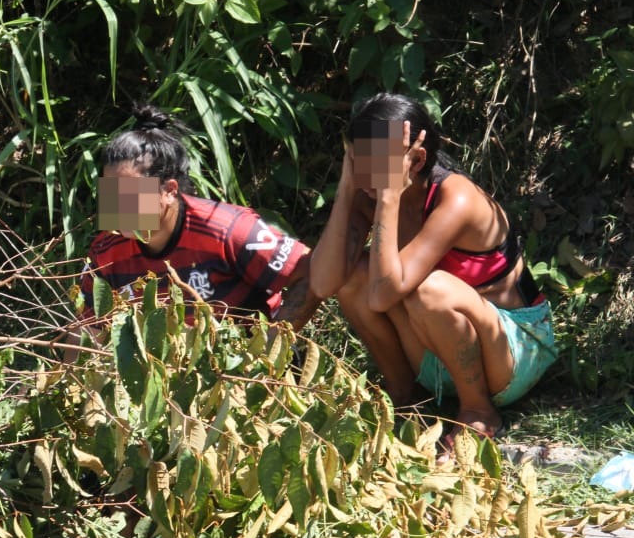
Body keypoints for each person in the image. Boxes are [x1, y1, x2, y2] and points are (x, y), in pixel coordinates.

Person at [308, 92, 557, 448]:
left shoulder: (456, 198)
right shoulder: (368, 191)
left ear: (416, 159)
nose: (364, 175)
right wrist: (348, 189)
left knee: (428, 288)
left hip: (514, 353)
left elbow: (383, 295)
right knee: (354, 279)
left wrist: (389, 198)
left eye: (370, 164)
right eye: (355, 160)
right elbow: (324, 282)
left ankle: (478, 411)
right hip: (439, 354)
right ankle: (406, 399)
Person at [76, 104, 320, 333]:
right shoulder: (105, 253)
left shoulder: (227, 229)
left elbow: (310, 271)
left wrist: (268, 351)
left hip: (245, 360)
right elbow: (86, 331)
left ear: (169, 191)